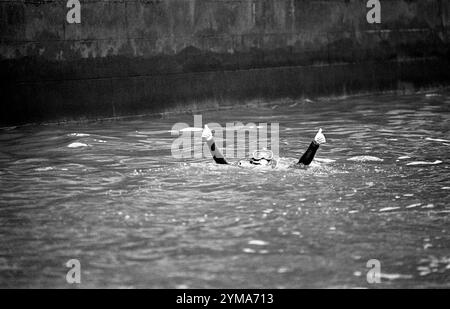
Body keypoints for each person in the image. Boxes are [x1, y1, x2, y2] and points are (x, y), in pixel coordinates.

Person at [201, 125, 326, 168]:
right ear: (252, 159)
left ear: (271, 160)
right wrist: (209, 140)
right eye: (259, 153)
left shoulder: (277, 167)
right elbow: (222, 163)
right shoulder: (245, 166)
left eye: (267, 153)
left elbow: (302, 165)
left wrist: (315, 144)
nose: (263, 153)